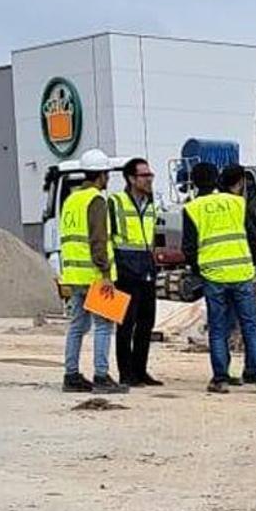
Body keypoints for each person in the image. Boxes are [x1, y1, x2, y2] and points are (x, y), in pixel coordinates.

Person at [183, 161, 256, 394]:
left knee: (219, 328)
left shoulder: (192, 208)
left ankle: (220, 379)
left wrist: (200, 270)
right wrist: (250, 263)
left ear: (194, 181)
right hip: (241, 273)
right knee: (251, 327)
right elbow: (253, 238)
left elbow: (189, 248)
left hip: (214, 275)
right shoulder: (237, 203)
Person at [59, 150, 128, 395]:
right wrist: (106, 273)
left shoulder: (72, 200)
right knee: (103, 325)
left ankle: (71, 375)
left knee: (77, 325)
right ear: (102, 175)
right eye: (107, 174)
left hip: (74, 275)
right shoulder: (96, 200)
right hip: (94, 275)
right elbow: (98, 239)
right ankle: (101, 376)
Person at [110, 157, 161, 386]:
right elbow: (109, 238)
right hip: (125, 271)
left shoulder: (150, 204)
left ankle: (140, 371)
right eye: (145, 175)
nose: (149, 179)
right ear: (131, 178)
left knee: (146, 322)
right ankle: (126, 373)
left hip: (145, 269)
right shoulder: (116, 202)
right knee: (125, 324)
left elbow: (149, 239)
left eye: (150, 175)